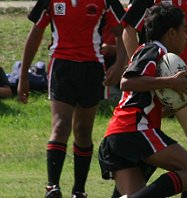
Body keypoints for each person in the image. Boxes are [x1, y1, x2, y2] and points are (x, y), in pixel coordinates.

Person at [17, 0, 126, 197]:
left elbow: (122, 31)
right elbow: (36, 32)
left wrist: (120, 64)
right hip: (62, 67)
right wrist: (23, 76)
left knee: (83, 131)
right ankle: (53, 187)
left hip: (92, 69)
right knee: (60, 126)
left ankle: (79, 191)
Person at [121, 0, 187, 197]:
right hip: (152, 80)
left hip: (178, 78)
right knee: (142, 154)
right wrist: (141, 72)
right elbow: (128, 31)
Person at [98, 4, 187, 197]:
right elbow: (127, 82)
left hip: (120, 134)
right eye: (184, 31)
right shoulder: (153, 50)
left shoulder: (159, 55)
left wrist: (169, 106)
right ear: (171, 33)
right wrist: (171, 82)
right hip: (135, 130)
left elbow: (143, 96)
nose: (186, 37)